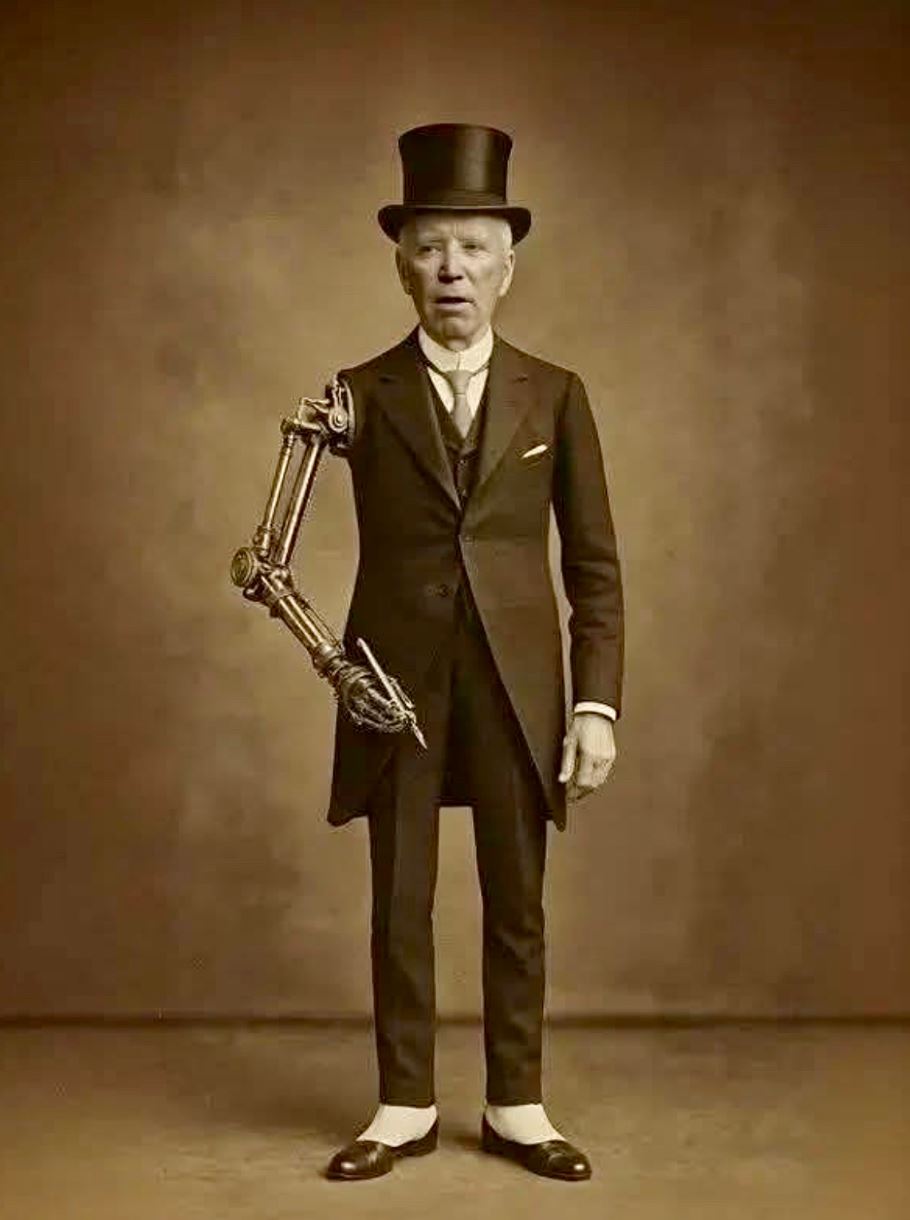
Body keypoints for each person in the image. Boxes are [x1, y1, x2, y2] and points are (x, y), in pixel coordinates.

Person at [323, 124, 624, 1182]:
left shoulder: (556, 392)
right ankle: (403, 1103)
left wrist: (594, 706)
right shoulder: (358, 392)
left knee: (517, 898)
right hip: (392, 683)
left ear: (508, 265)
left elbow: (594, 566)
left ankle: (516, 1103)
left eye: (473, 248)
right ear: (401, 265)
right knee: (399, 899)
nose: (452, 269)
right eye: (431, 248)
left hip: (515, 685)